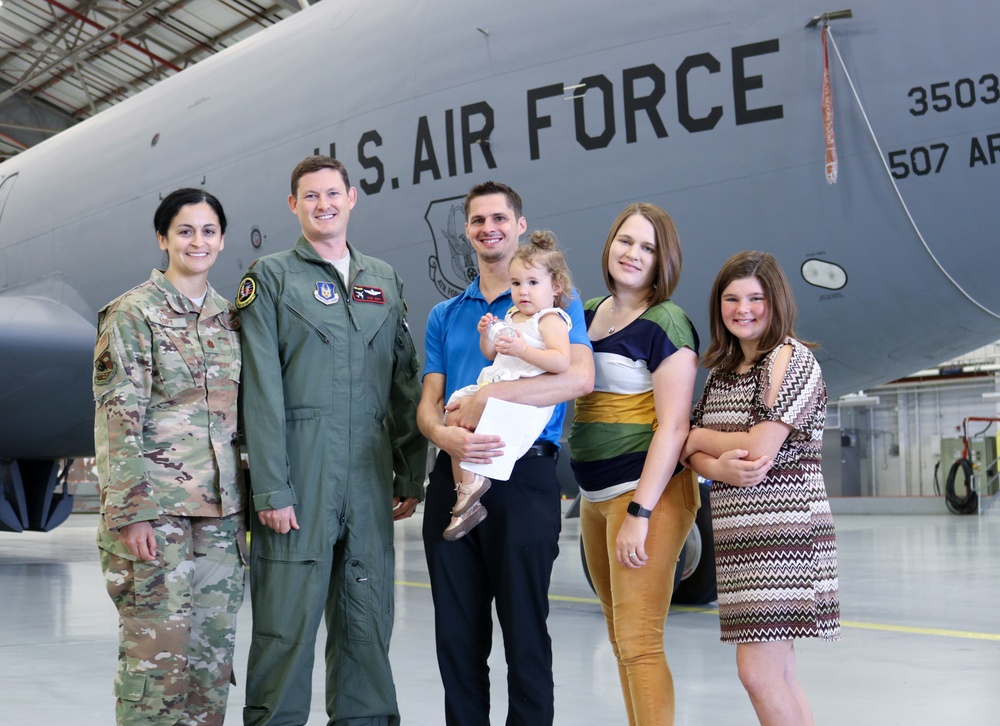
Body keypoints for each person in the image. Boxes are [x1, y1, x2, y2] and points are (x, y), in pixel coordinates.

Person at [236, 156, 426, 726]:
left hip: (368, 477)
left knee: (367, 624)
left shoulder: (383, 280)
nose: (323, 205)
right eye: (310, 197)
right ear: (294, 206)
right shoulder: (269, 278)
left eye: (332, 194)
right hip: (301, 475)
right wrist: (271, 488)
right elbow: (261, 389)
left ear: (352, 197)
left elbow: (404, 381)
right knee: (285, 626)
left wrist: (410, 472)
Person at [417, 181, 594, 725]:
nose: (488, 228)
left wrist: (493, 395)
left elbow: (578, 379)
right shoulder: (448, 315)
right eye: (477, 220)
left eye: (499, 217)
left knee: (524, 633)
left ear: (519, 225)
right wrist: (443, 435)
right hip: (455, 474)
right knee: (458, 639)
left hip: (524, 476)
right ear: (467, 231)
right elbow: (428, 405)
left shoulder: (557, 308)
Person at [93, 188, 245, 725]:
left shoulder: (231, 321)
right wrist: (131, 513)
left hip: (221, 520)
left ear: (222, 240)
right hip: (155, 516)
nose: (197, 241)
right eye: (185, 231)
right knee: (157, 665)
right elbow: (117, 418)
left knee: (210, 664)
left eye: (208, 231)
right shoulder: (133, 314)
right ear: (163, 239)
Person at [682, 251, 840, 726]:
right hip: (742, 541)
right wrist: (712, 460)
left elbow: (757, 447)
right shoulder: (722, 373)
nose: (742, 308)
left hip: (785, 536)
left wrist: (697, 440)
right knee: (779, 673)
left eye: (756, 298)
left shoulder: (791, 359)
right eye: (731, 298)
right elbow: (688, 456)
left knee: (759, 673)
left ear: (776, 303)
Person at [568, 203, 700, 726]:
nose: (632, 254)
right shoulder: (589, 312)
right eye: (625, 241)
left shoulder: (667, 322)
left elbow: (673, 426)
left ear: (661, 260)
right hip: (597, 498)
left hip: (646, 496)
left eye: (647, 247)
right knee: (620, 636)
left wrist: (641, 513)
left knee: (640, 642)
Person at [443, 230, 574, 540]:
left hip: (522, 397)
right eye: (516, 284)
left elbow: (561, 361)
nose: (522, 292)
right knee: (452, 414)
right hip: (494, 383)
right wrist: (486, 332)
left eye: (532, 283)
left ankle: (469, 491)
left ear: (555, 286)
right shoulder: (512, 314)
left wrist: (523, 351)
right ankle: (468, 491)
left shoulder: (550, 319)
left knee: (465, 421)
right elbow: (490, 354)